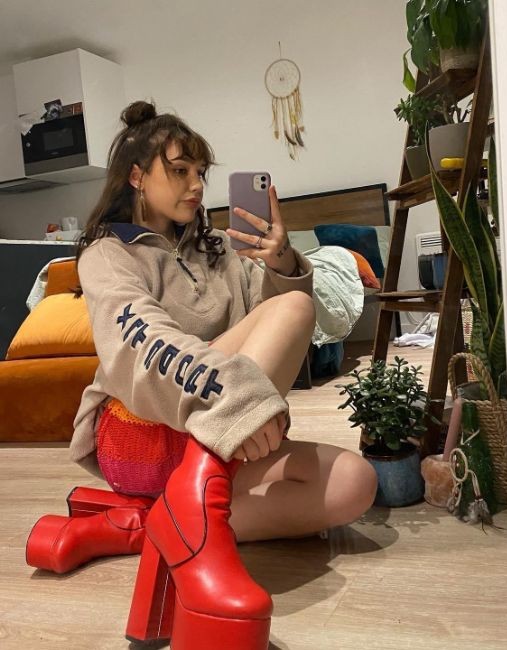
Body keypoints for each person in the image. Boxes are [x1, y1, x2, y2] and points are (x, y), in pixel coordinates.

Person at [25, 101, 377, 649]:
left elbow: (267, 322)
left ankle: (161, 524)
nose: (196, 185)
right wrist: (240, 398)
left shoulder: (216, 250)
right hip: (138, 429)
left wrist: (282, 264)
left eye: (201, 172)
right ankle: (193, 521)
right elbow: (142, 343)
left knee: (354, 483)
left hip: (207, 433)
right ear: (137, 176)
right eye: (179, 170)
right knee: (294, 310)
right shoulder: (108, 253)